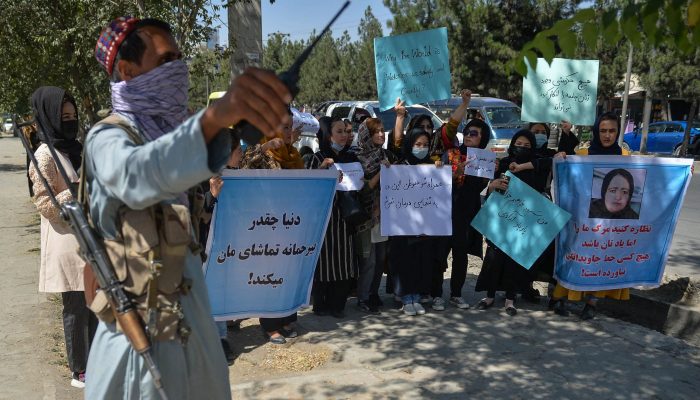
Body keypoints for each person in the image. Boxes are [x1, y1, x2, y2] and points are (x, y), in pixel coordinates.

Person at [84, 16, 291, 399]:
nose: (178, 69)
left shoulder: (172, 133)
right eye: (166, 60)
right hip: (139, 337)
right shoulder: (107, 137)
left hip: (191, 324)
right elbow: (137, 176)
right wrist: (213, 119)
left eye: (180, 58)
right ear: (127, 71)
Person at [27, 86, 97, 389]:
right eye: (63, 116)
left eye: (72, 116)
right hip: (66, 239)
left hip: (89, 237)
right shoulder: (44, 155)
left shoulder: (76, 147)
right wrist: (75, 191)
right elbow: (43, 201)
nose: (69, 121)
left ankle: (97, 359)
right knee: (75, 306)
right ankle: (79, 368)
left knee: (95, 301)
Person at [551, 112, 631, 320]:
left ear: (618, 132)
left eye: (612, 131)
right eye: (603, 130)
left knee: (603, 259)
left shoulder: (625, 157)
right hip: (584, 221)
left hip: (612, 224)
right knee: (575, 255)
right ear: (597, 131)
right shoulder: (584, 154)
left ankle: (592, 303)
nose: (607, 135)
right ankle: (560, 298)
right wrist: (561, 159)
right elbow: (570, 179)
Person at [241, 108, 304, 343]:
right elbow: (243, 167)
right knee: (270, 272)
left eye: (290, 127)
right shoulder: (261, 152)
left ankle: (288, 316)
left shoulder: (292, 153)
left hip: (291, 223)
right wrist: (266, 148)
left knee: (289, 270)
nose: (289, 132)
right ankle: (270, 324)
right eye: (284, 127)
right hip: (267, 224)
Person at [475, 130, 543, 317]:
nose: (522, 148)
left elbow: (549, 162)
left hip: (524, 220)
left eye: (527, 146)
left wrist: (523, 168)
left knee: (514, 259)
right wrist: (492, 186)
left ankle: (510, 299)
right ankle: (489, 296)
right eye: (519, 144)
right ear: (513, 145)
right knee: (493, 257)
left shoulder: (536, 166)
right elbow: (491, 188)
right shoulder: (503, 163)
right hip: (501, 218)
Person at [306, 116, 358, 318]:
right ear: (327, 135)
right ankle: (321, 304)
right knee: (324, 263)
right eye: (339, 131)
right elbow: (308, 189)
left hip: (345, 220)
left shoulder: (351, 158)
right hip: (324, 220)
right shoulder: (316, 159)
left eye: (345, 131)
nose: (344, 135)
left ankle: (338, 305)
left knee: (344, 262)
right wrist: (322, 172)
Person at [389, 127, 443, 316]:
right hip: (404, 226)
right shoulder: (400, 165)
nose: (422, 148)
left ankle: (417, 296)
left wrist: (439, 171)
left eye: (426, 145)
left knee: (422, 260)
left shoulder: (432, 166)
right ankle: (405, 297)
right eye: (417, 144)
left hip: (425, 225)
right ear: (410, 144)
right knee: (405, 259)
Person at [200, 128, 243, 365]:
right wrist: (213, 196)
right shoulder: (205, 176)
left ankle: (222, 336)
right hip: (207, 246)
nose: (241, 154)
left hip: (230, 244)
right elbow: (201, 215)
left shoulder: (236, 174)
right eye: (238, 150)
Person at [441, 119, 491, 310]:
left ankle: (456, 294)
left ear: (482, 138)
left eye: (474, 133)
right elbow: (439, 184)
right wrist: (456, 174)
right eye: (467, 132)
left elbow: (479, 187)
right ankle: (436, 293)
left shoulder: (485, 158)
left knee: (460, 256)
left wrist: (487, 176)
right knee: (440, 254)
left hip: (466, 214)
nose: (469, 136)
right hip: (446, 212)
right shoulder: (452, 154)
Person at [355, 118, 396, 313]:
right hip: (367, 217)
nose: (381, 134)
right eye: (376, 131)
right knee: (369, 260)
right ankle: (362, 297)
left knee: (381, 258)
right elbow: (362, 190)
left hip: (384, 215)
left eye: (382, 130)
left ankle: (373, 293)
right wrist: (381, 172)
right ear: (366, 135)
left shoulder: (386, 155)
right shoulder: (357, 158)